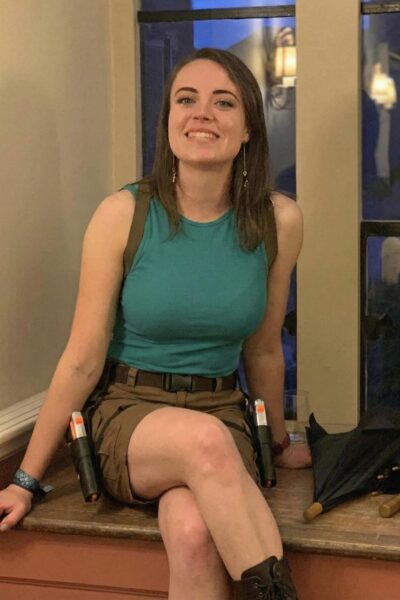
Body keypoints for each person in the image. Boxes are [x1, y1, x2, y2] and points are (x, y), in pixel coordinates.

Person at [0, 48, 310, 599]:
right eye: (186, 100)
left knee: (193, 533)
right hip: (128, 412)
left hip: (221, 410)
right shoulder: (123, 214)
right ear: (168, 121)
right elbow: (81, 360)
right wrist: (24, 479)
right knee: (205, 443)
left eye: (223, 102)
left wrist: (281, 444)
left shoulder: (277, 221)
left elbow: (263, 349)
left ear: (248, 130)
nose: (201, 113)